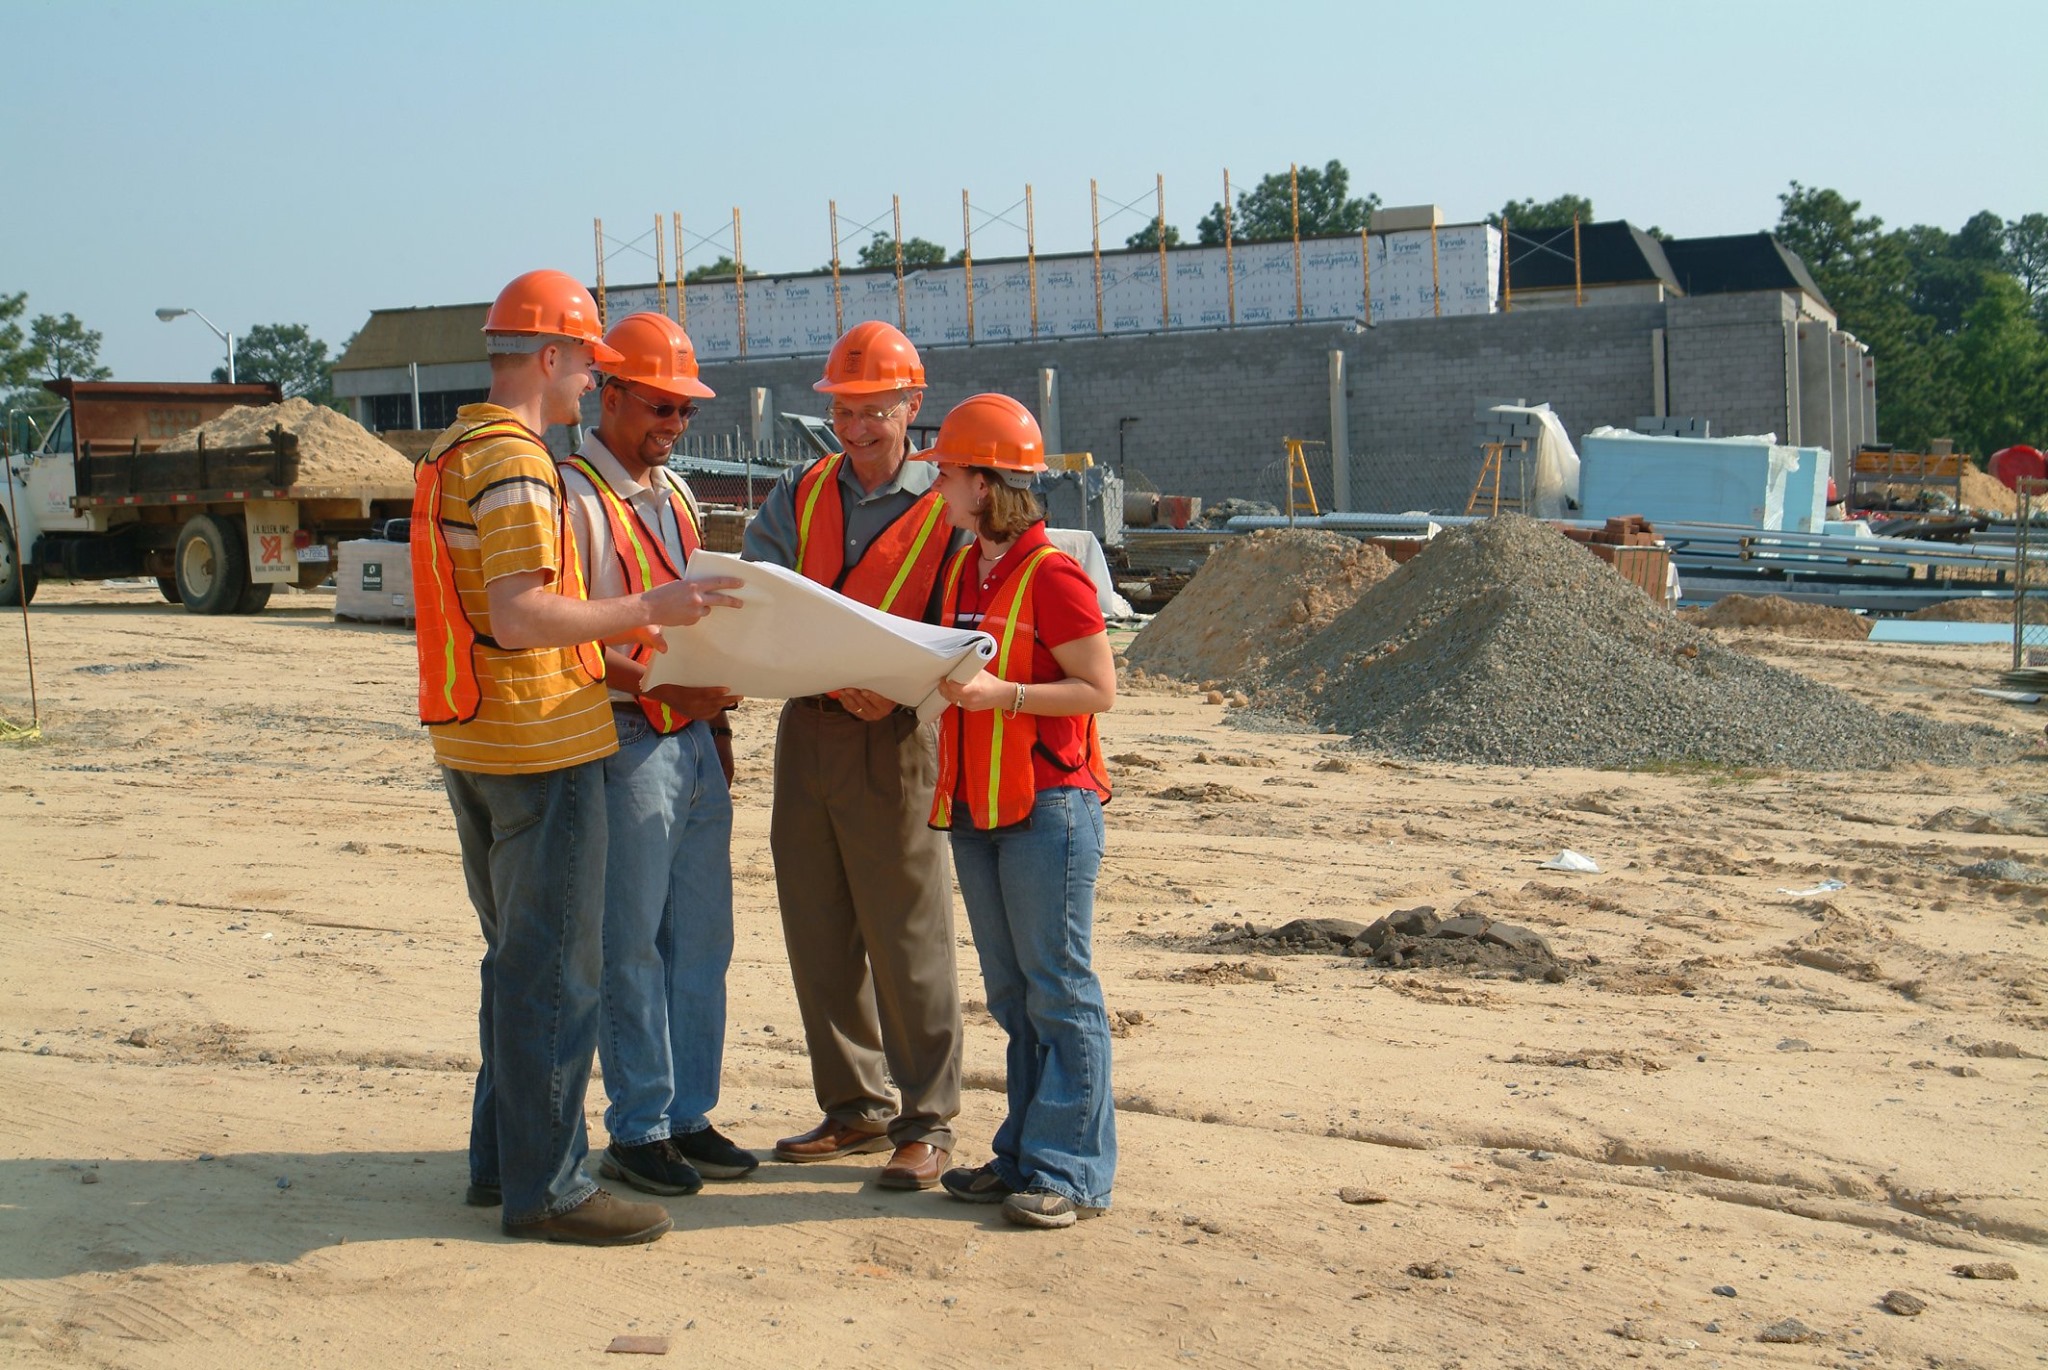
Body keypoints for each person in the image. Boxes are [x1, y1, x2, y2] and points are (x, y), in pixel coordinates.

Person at [413, 270, 741, 1246]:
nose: (588, 380)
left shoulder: (453, 446)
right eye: (588, 362)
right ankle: (547, 1186)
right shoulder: (517, 460)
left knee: (516, 963)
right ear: (551, 357)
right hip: (536, 741)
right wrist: (649, 611)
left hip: (471, 733)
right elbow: (519, 614)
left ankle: (497, 1163)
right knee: (556, 972)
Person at [740, 320, 970, 1191]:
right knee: (818, 926)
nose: (860, 426)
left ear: (914, 404)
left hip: (901, 733)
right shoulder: (800, 497)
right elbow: (762, 594)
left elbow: (966, 623)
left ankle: (929, 1120)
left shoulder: (947, 498)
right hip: (811, 728)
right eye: (845, 409)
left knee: (907, 933)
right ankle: (855, 1107)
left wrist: (903, 689)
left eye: (877, 409)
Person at [559, 311, 756, 1199]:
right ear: (608, 393)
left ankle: (687, 1114)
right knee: (631, 943)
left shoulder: (674, 498)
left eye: (683, 409)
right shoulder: (571, 497)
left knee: (701, 941)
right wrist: (659, 689)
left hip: (691, 741)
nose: (674, 425)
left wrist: (715, 698)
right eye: (660, 406)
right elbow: (555, 639)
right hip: (628, 736)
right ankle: (637, 1126)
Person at [923, 393, 1118, 1230]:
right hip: (978, 806)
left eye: (948, 472)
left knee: (1059, 989)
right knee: (1013, 995)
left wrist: (1001, 695)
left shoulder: (1055, 575)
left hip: (1047, 808)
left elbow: (1099, 689)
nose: (937, 485)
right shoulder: (967, 568)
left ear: (986, 481)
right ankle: (1025, 1155)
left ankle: (1070, 1170)